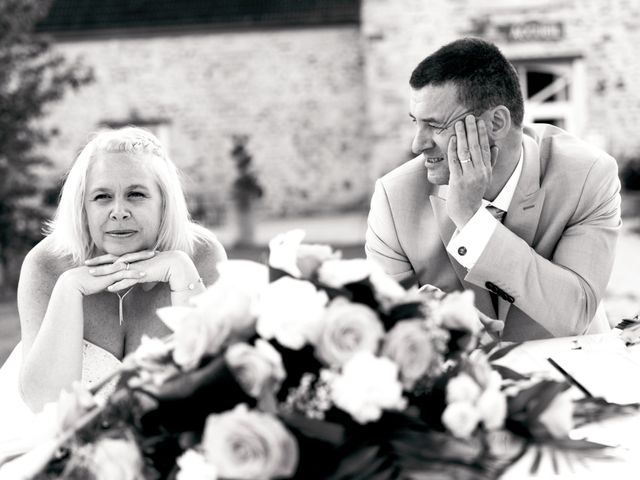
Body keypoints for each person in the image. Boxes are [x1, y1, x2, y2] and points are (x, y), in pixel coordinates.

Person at [365, 38, 621, 341]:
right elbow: (386, 329)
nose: (417, 144)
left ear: (496, 123)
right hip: (460, 383)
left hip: (572, 371)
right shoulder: (394, 198)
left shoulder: (588, 176)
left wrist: (473, 221)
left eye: (435, 126)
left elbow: (574, 313)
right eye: (415, 123)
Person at [0, 126, 227, 426]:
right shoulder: (46, 266)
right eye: (102, 196)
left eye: (136, 194)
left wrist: (183, 275)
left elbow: (211, 390)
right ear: (83, 207)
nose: (118, 211)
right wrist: (69, 289)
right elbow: (46, 406)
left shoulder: (202, 254)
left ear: (164, 202)